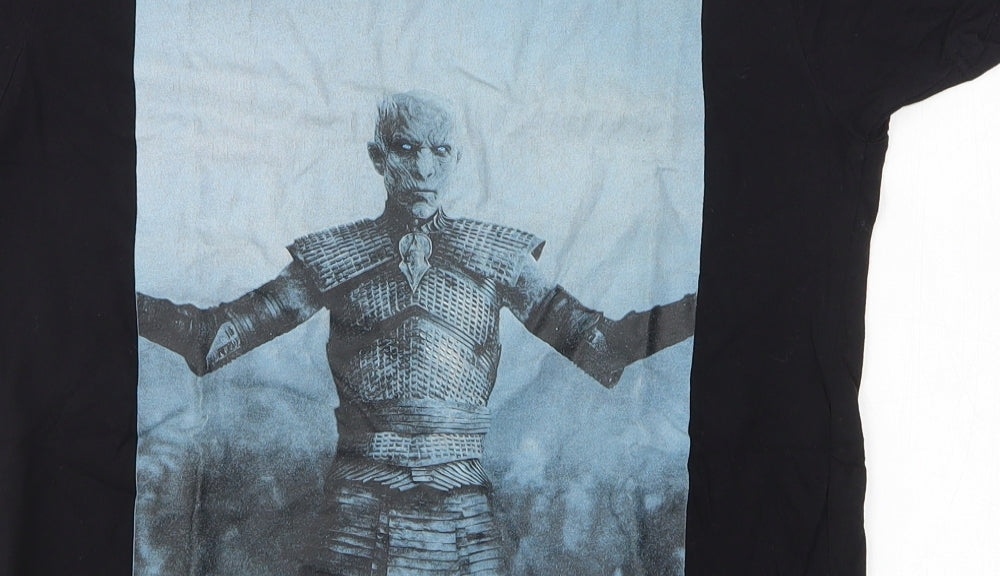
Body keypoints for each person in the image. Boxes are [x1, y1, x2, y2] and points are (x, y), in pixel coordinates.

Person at [137, 90, 697, 576]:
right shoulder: (334, 257)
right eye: (406, 148)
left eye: (440, 151)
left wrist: (708, 305)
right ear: (377, 157)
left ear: (456, 159)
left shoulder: (499, 258)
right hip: (355, 519)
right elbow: (213, 338)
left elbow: (600, 349)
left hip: (463, 522)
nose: (425, 168)